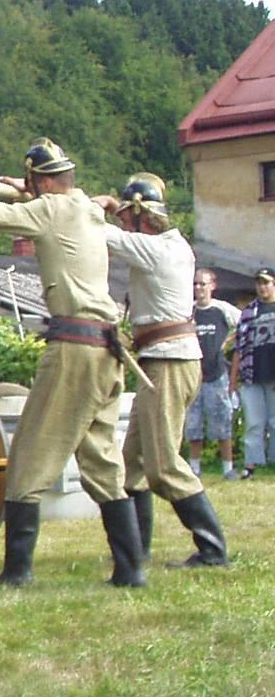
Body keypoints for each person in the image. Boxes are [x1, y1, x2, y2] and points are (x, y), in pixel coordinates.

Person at [0, 137, 143, 587]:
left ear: (44, 182)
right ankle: (130, 570)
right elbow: (82, 202)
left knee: (31, 453)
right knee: (101, 459)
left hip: (73, 349)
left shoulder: (51, 209)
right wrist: (29, 190)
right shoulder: (85, 208)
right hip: (107, 349)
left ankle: (17, 571)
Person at [94, 173, 228, 568]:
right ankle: (138, 550)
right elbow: (118, 232)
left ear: (141, 217)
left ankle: (212, 550)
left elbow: (104, 236)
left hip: (170, 362)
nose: (121, 223)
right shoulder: (166, 245)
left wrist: (76, 207)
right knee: (132, 463)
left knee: (163, 465)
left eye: (126, 215)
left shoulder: (159, 250)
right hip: (163, 359)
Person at [185, 268, 241, 479]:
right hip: (194, 377)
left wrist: (228, 342)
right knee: (193, 426)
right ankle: (194, 469)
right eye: (196, 284)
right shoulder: (189, 311)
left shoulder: (222, 310)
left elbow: (244, 325)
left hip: (217, 376)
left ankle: (228, 469)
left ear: (213, 286)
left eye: (203, 284)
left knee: (222, 424)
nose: (199, 288)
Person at [231, 266, 275, 479]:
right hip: (251, 375)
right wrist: (233, 381)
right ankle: (251, 465)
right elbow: (238, 348)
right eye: (259, 283)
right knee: (254, 422)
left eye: (266, 282)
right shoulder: (249, 312)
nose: (262, 287)